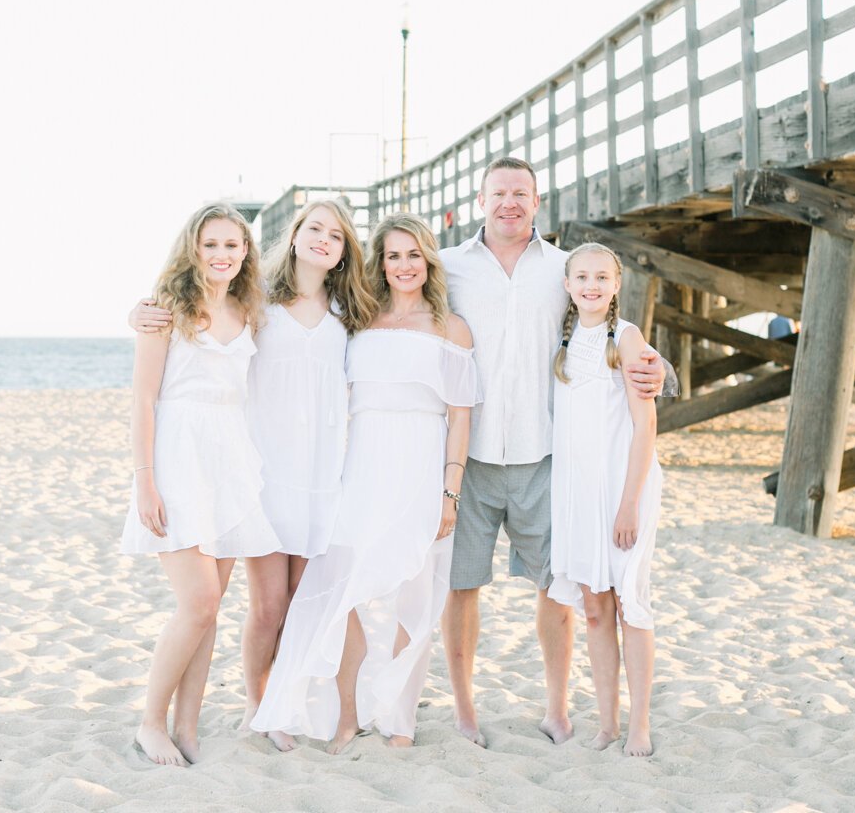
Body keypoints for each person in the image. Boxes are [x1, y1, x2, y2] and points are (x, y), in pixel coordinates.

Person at [127, 200, 377, 752]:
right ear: (291, 237)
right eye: (313, 228)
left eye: (335, 234)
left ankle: (208, 724)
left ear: (345, 250)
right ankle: (246, 705)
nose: (323, 240)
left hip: (293, 470)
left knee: (293, 601)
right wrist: (137, 314)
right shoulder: (261, 300)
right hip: (253, 467)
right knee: (251, 605)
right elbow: (155, 370)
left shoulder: (343, 308)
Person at [439, 156, 668, 747]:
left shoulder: (566, 268)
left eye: (521, 193)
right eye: (499, 193)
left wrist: (657, 366)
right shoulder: (450, 267)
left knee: (557, 589)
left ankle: (557, 709)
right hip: (471, 456)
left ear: (537, 201)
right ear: (480, 199)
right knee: (461, 586)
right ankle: (464, 710)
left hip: (546, 460)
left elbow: (612, 326)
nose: (510, 202)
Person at [250, 213, 478, 752]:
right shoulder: (359, 319)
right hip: (359, 464)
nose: (404, 266)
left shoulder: (451, 327)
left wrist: (450, 492)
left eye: (414, 255)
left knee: (415, 597)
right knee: (338, 589)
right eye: (393, 256)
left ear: (429, 261)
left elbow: (461, 416)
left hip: (422, 465)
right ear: (379, 263)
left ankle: (400, 719)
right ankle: (346, 715)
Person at [121, 203, 280, 767]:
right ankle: (149, 722)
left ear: (246, 252)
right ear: (193, 248)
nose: (222, 255)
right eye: (211, 244)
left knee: (211, 610)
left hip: (230, 462)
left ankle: (187, 728)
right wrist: (145, 481)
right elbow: (143, 398)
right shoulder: (165, 310)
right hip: (178, 460)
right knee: (200, 601)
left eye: (232, 245)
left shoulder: (247, 309)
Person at [545, 242, 665, 757]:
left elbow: (645, 425)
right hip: (577, 492)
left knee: (628, 603)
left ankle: (639, 725)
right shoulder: (566, 338)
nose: (591, 285)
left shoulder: (628, 336)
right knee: (594, 607)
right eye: (581, 277)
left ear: (616, 285)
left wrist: (628, 503)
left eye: (601, 277)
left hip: (621, 489)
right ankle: (608, 724)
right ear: (568, 287)